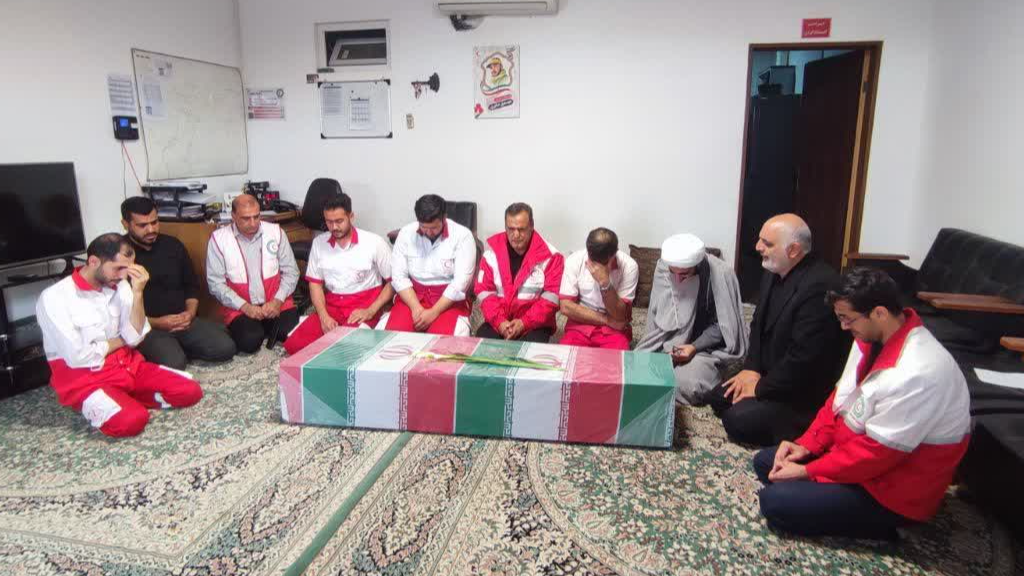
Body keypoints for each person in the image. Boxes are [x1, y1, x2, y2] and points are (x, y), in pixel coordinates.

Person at [753, 267, 971, 540]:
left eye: (847, 318)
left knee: (775, 502)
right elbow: (838, 401)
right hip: (857, 454)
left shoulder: (919, 372)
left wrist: (809, 470)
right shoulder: (870, 337)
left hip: (892, 488)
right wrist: (806, 444)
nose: (843, 327)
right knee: (766, 462)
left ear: (879, 313)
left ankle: (888, 528)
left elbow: (876, 455)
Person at [35, 233, 203, 437]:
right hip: (86, 377)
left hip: (127, 365)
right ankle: (113, 403)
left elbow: (137, 336)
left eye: (128, 268)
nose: (123, 276)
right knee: (133, 421)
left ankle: (123, 398)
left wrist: (138, 293)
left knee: (190, 391)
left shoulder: (121, 285)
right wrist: (122, 339)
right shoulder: (54, 298)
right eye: (118, 268)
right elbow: (79, 356)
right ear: (93, 261)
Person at [708, 214, 849, 446]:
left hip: (799, 391)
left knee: (736, 421)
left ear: (793, 250)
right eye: (760, 239)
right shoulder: (774, 269)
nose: (758, 247)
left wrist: (760, 388)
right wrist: (751, 369)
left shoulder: (820, 286)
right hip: (769, 372)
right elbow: (757, 324)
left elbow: (804, 360)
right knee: (717, 397)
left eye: (767, 243)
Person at [120, 197, 236, 369]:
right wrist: (158, 323)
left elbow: (191, 286)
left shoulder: (173, 245)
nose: (151, 229)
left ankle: (179, 347)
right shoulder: (120, 257)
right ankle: (172, 351)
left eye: (154, 222)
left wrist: (190, 313)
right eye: (142, 225)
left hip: (183, 320)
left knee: (226, 348)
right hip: (149, 327)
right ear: (125, 224)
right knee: (175, 364)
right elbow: (120, 311)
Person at [636, 233, 748, 404]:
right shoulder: (663, 268)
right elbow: (659, 314)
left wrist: (693, 347)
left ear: (697, 265)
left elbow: (723, 326)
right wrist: (671, 347)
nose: (677, 279)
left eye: (684, 274)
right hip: (669, 340)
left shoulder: (721, 274)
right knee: (637, 368)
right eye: (673, 272)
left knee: (690, 384)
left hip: (704, 348)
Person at [283, 193, 394, 355]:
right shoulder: (319, 243)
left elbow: (393, 282)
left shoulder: (374, 242)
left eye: (339, 221)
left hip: (363, 306)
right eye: (329, 222)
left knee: (345, 351)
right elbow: (315, 284)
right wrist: (323, 317)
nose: (334, 227)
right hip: (333, 306)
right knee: (295, 346)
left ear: (351, 216)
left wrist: (371, 310)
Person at [207, 194, 299, 353]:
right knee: (249, 342)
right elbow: (215, 284)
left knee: (291, 334)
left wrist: (278, 301)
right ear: (233, 216)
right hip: (241, 307)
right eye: (246, 218)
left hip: (275, 303)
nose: (253, 223)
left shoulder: (275, 232)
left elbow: (292, 271)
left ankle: (264, 327)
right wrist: (245, 307)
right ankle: (257, 329)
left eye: (256, 217)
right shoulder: (219, 239)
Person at [382, 194, 477, 336]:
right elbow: (398, 276)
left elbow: (460, 283)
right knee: (390, 336)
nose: (428, 232)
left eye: (433, 227)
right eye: (423, 227)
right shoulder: (406, 233)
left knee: (445, 343)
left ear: (444, 218)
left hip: (447, 301)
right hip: (412, 297)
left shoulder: (463, 236)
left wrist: (434, 312)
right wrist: (415, 308)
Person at [475, 203, 563, 342]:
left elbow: (550, 301)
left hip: (534, 325)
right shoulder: (491, 254)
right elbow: (484, 292)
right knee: (482, 343)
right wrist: (500, 323)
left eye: (521, 229)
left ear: (531, 226)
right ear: (505, 227)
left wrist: (523, 323)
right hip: (499, 322)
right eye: (511, 229)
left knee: (531, 351)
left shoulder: (552, 257)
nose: (516, 235)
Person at [558, 228, 639, 350]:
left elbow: (620, 316)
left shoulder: (629, 266)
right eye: (593, 261)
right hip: (580, 326)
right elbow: (565, 307)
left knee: (618, 359)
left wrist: (605, 283)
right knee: (564, 357)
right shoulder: (574, 260)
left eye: (603, 263)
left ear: (615, 253)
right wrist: (606, 320)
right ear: (588, 250)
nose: (596, 268)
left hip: (614, 331)